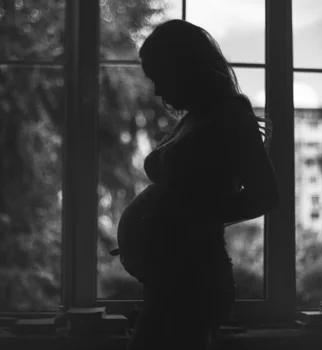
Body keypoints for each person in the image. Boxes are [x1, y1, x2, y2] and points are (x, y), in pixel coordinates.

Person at [115, 19, 280, 350]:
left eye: (160, 77)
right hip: (171, 278)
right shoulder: (196, 117)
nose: (158, 90)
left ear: (184, 67)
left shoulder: (231, 113)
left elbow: (266, 196)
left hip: (193, 280)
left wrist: (189, 218)